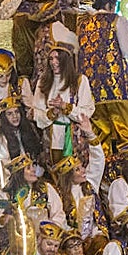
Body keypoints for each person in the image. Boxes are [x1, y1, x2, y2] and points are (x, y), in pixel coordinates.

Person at [30, 23, 93, 161]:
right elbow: (37, 112)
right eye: (51, 58)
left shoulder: (80, 81)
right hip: (51, 138)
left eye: (57, 58)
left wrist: (66, 108)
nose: (54, 62)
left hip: (75, 138)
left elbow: (86, 112)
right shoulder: (43, 81)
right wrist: (52, 113)